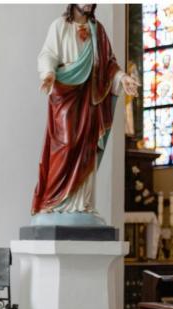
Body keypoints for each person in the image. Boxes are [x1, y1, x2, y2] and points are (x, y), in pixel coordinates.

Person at [31, 4, 140, 221]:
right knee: (66, 145)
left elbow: (109, 65)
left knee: (86, 149)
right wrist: (49, 74)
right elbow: (48, 54)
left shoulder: (97, 29)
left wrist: (123, 78)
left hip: (90, 99)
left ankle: (81, 205)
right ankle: (53, 200)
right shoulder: (60, 26)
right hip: (66, 94)